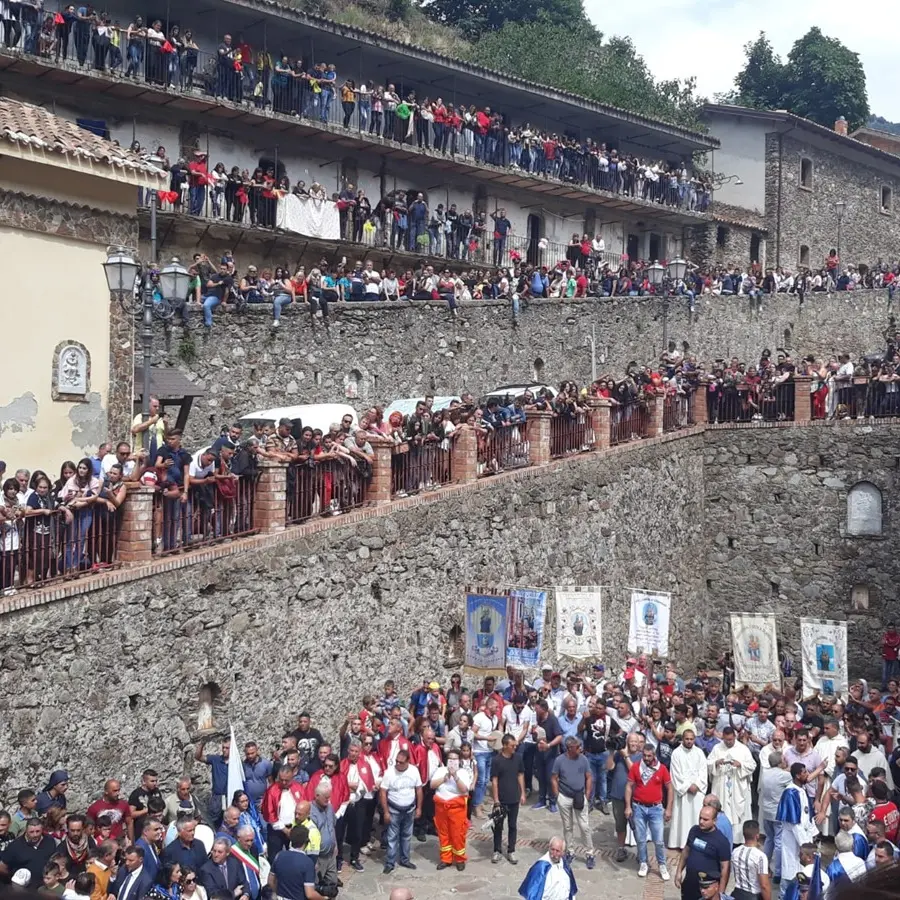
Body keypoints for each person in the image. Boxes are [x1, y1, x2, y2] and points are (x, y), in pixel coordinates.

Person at [625, 742, 673, 879]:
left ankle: (662, 864)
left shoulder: (661, 769)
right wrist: (628, 806)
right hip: (638, 807)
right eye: (644, 755)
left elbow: (670, 788)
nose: (646, 758)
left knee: (658, 840)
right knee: (640, 839)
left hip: (656, 809)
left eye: (649, 756)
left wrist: (668, 808)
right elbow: (629, 786)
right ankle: (643, 862)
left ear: (654, 755)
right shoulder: (636, 767)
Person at [551, 737, 594, 869]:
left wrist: (587, 795)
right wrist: (557, 795)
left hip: (579, 796)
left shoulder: (583, 759)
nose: (580, 748)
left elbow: (589, 777)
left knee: (584, 826)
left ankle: (590, 853)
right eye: (578, 747)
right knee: (567, 826)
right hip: (564, 796)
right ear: (570, 748)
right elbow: (554, 778)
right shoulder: (559, 760)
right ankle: (570, 851)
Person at [708, 727, 756, 843]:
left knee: (738, 814)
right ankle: (721, 837)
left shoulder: (743, 749)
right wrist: (716, 763)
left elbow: (752, 765)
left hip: (737, 787)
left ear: (735, 737)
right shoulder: (717, 748)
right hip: (721, 786)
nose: (728, 742)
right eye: (726, 740)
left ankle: (737, 840)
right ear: (723, 737)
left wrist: (741, 765)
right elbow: (708, 763)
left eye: (730, 739)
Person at [674, 805, 732, 900]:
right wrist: (679, 872)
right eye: (700, 818)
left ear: (714, 821)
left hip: (707, 888)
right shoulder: (694, 831)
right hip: (690, 883)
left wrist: (721, 893)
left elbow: (725, 868)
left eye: (705, 820)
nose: (701, 821)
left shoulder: (721, 841)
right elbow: (686, 851)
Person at [379, 749, 422, 875]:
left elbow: (419, 789)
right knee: (392, 837)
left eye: (401, 762)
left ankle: (405, 859)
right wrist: (386, 812)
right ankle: (390, 863)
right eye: (396, 761)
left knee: (407, 836)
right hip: (394, 810)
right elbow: (383, 792)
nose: (398, 764)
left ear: (408, 761)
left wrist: (419, 808)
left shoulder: (414, 771)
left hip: (409, 809)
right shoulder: (389, 773)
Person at [430, 747, 472, 872]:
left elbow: (464, 790)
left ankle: (459, 859)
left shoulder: (463, 772)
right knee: (443, 833)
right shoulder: (441, 770)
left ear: (459, 761)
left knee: (458, 834)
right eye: (450, 759)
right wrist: (445, 777)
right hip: (441, 807)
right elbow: (432, 785)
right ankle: (446, 859)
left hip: (457, 808)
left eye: (455, 759)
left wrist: (455, 776)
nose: (452, 762)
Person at [777, 764, 817, 888]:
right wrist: (804, 845)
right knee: (791, 870)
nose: (807, 774)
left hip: (804, 835)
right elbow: (794, 824)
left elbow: (807, 815)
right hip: (793, 839)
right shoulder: (790, 793)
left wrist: (813, 833)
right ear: (797, 775)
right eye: (804, 772)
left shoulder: (802, 790)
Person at [669, 728, 709, 849]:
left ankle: (696, 844)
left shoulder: (699, 753)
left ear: (694, 739)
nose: (689, 741)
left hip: (697, 792)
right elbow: (675, 774)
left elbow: (703, 771)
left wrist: (697, 785)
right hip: (684, 792)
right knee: (683, 819)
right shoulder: (676, 753)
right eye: (687, 739)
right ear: (682, 739)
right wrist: (687, 786)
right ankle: (681, 843)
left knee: (696, 817)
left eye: (691, 739)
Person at [491, 733, 526, 866]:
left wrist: (522, 793)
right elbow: (494, 780)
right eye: (512, 746)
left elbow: (520, 775)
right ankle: (497, 850)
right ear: (505, 745)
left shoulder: (518, 758)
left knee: (512, 825)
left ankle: (511, 850)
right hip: (501, 799)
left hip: (514, 797)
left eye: (515, 746)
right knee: (498, 826)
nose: (514, 748)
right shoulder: (497, 760)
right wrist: (496, 800)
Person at [267, 825, 326, 900]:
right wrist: (324, 898)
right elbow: (310, 894)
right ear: (306, 841)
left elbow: (270, 881)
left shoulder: (279, 856)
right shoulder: (307, 862)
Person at [517, 835, 577, 900]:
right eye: (552, 849)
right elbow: (532, 892)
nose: (554, 854)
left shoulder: (565, 865)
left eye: (557, 851)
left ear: (562, 852)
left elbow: (571, 890)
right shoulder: (541, 867)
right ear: (549, 848)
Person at [730, 820, 770, 900]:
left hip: (737, 894)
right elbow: (764, 885)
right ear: (757, 836)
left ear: (744, 834)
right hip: (753, 896)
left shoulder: (735, 852)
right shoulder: (760, 856)